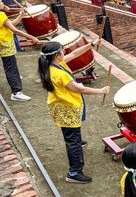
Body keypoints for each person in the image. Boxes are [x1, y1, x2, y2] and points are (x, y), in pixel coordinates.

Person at [38, 41, 109, 183]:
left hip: (62, 105)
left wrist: (91, 44)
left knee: (72, 136)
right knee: (72, 141)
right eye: (62, 50)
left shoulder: (53, 65)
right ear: (57, 55)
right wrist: (101, 91)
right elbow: (80, 89)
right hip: (67, 108)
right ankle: (74, 172)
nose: (65, 52)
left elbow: (75, 53)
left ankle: (77, 140)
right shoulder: (59, 74)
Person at [1, 6, 41, 101]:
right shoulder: (1, 15)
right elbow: (15, 30)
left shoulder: (1, 16)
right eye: (0, 1)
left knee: (11, 67)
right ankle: (16, 92)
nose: (2, 2)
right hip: (6, 45)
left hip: (3, 45)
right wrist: (31, 37)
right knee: (11, 68)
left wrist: (21, 15)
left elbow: (11, 25)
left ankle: (15, 80)